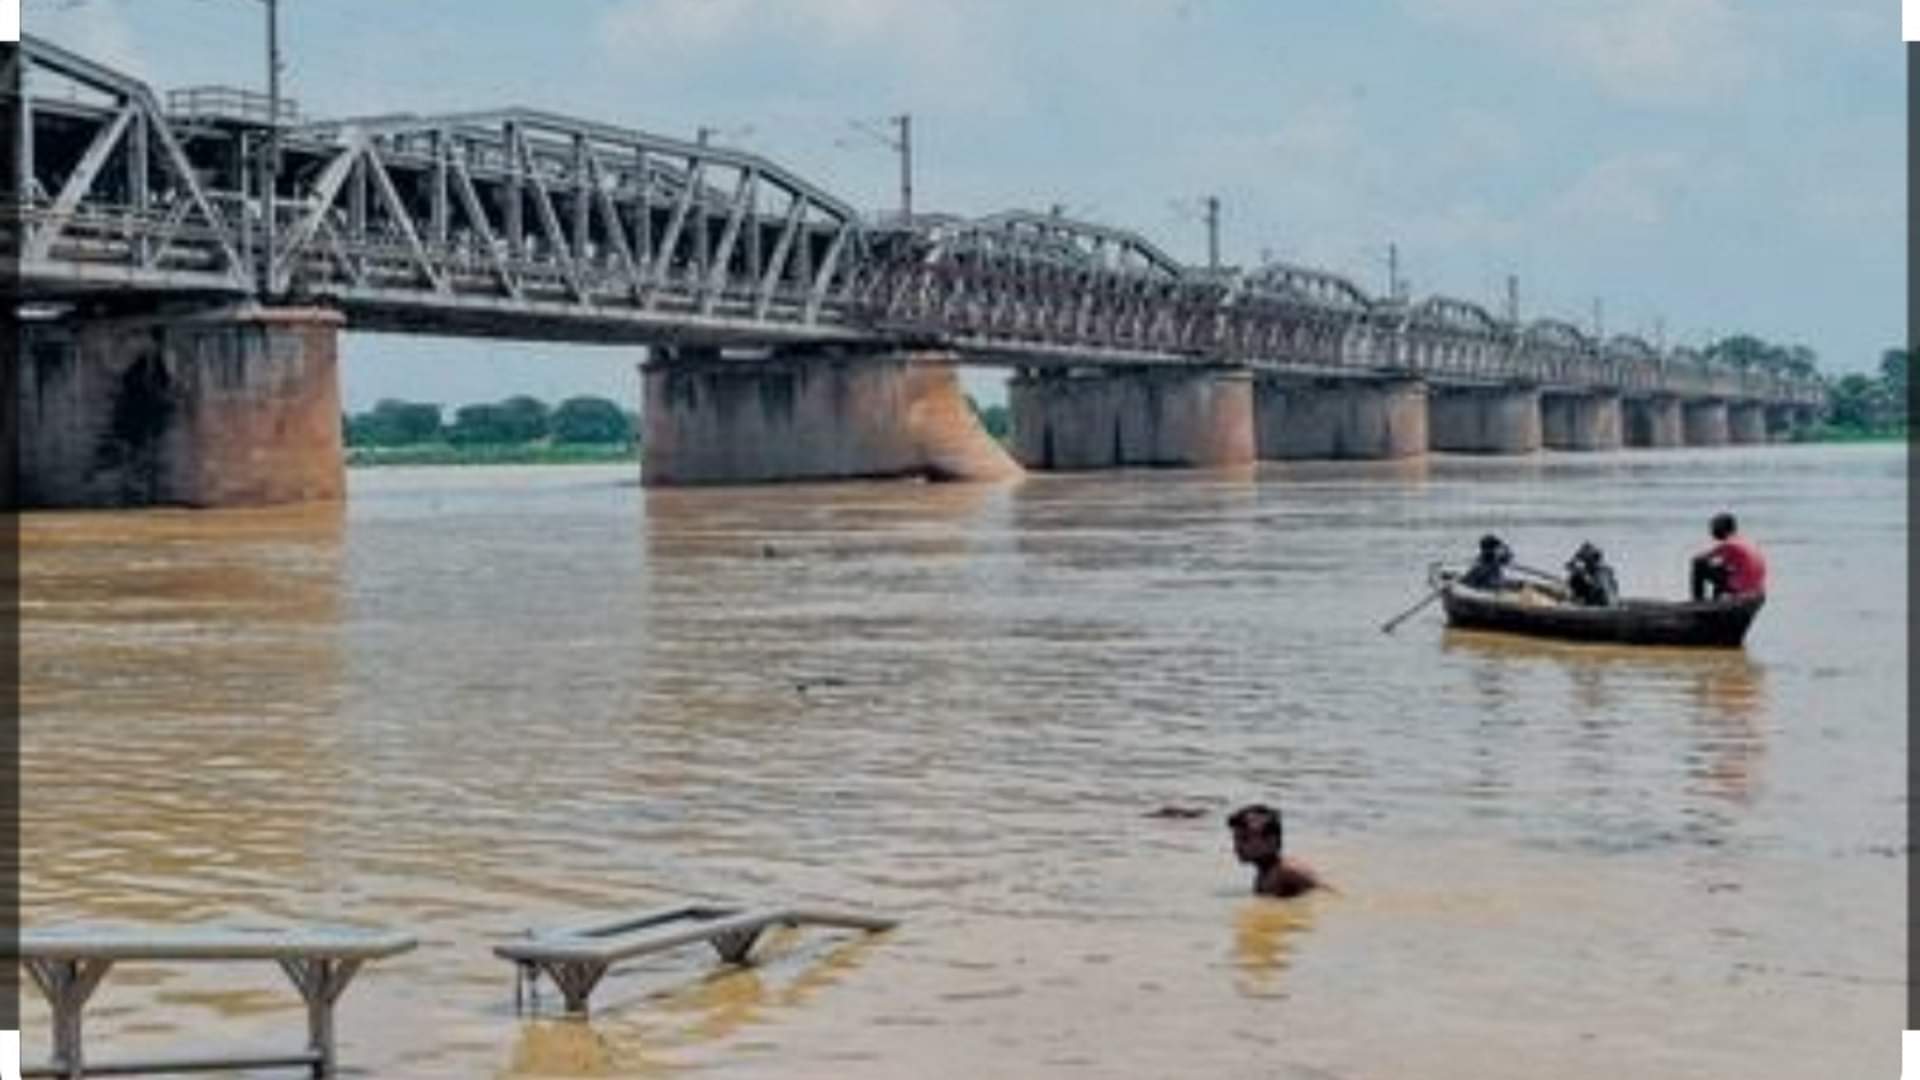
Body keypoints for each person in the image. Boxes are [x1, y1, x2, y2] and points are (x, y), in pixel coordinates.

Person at [1226, 803, 1325, 899]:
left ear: (1271, 841)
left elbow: (1328, 895)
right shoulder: (1264, 873)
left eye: (1244, 839)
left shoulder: (1288, 871)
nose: (1237, 846)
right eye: (1235, 839)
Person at [1691, 512, 1767, 601]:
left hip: (1741, 585)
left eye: (1714, 528)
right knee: (1721, 570)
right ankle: (1717, 601)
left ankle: (1698, 601)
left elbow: (1700, 558)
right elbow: (1725, 566)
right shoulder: (1745, 541)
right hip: (1755, 588)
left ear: (1723, 529)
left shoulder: (1728, 544)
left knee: (1698, 564)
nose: (1712, 532)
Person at [1565, 542, 1620, 607]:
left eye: (1585, 559)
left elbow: (1598, 588)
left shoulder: (1601, 572)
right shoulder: (1605, 570)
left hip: (1601, 604)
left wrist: (1580, 573)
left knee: (1576, 579)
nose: (1584, 562)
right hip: (1606, 603)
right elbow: (1569, 566)